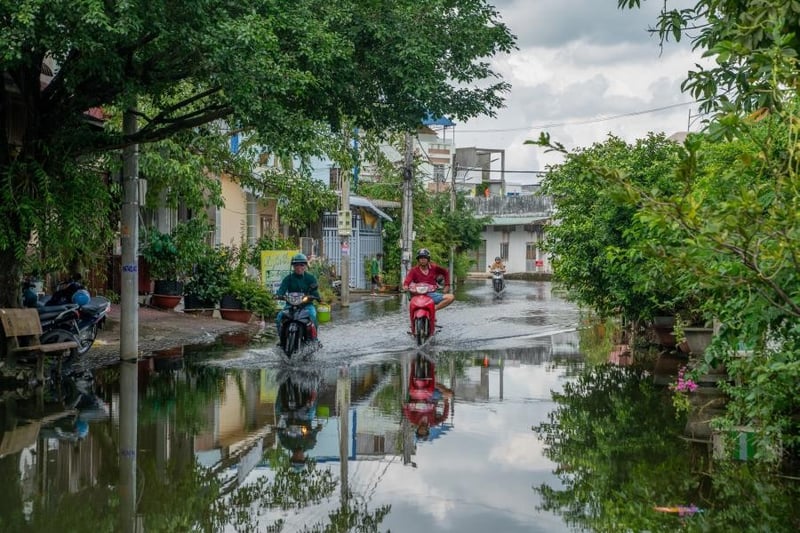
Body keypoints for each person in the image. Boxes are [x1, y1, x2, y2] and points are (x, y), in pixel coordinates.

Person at [275, 253, 321, 335]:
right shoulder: (288, 279)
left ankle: (314, 338)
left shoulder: (310, 278)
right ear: (293, 266)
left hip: (306, 305)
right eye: (296, 265)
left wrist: (317, 297)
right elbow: (282, 290)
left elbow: (314, 291)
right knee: (279, 317)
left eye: (302, 265)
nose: (299, 267)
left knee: (313, 315)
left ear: (305, 266)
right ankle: (281, 338)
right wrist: (278, 295)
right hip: (290, 305)